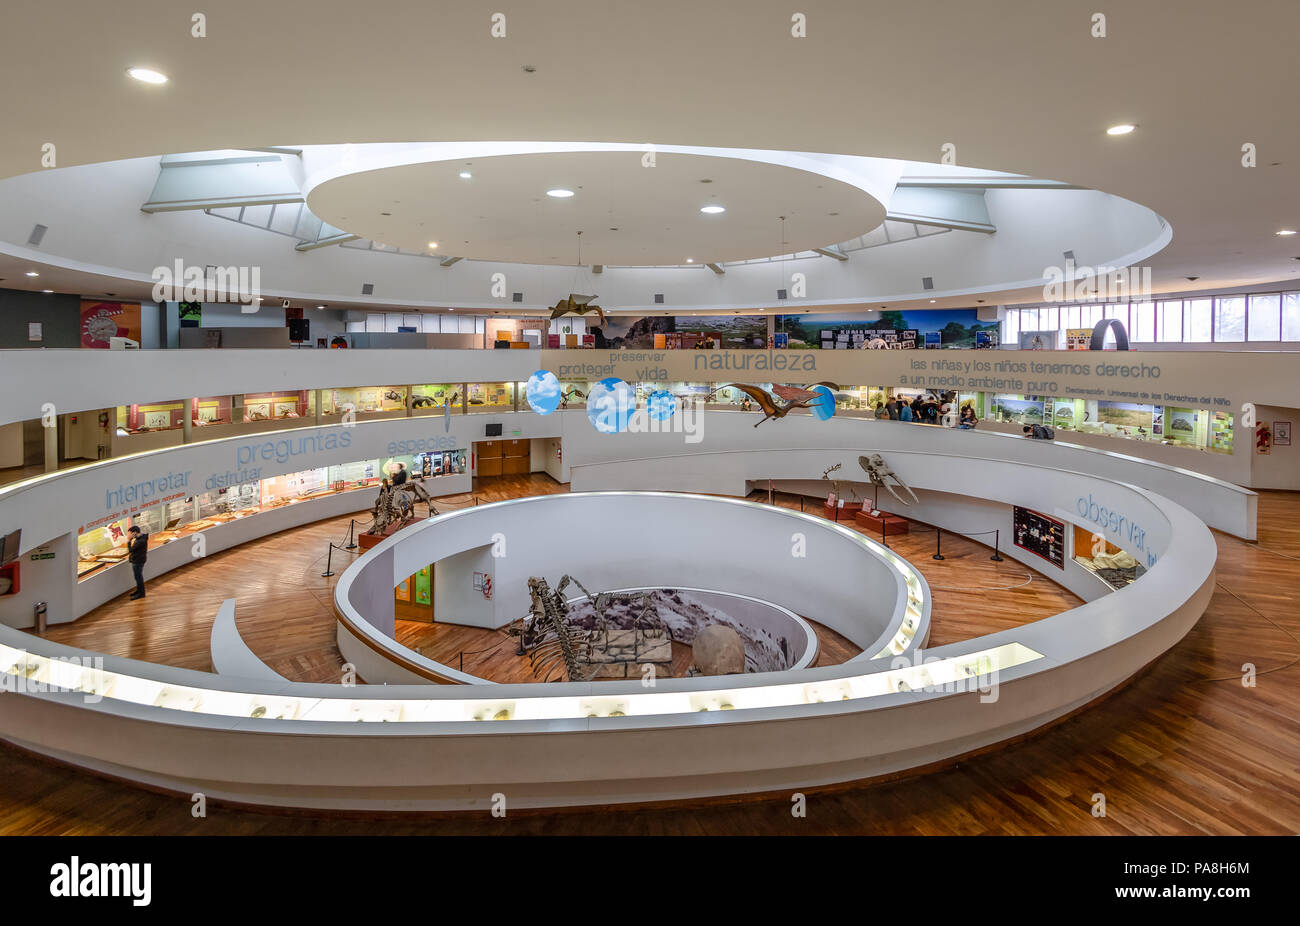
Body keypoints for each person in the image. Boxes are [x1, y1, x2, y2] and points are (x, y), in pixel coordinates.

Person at [126, 525, 149, 600]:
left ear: (134, 532)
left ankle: (141, 594)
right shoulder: (141, 538)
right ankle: (139, 591)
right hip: (139, 560)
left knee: (138, 578)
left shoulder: (140, 541)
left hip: (138, 561)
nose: (128, 535)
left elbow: (131, 550)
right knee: (138, 577)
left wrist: (129, 541)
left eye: (130, 533)